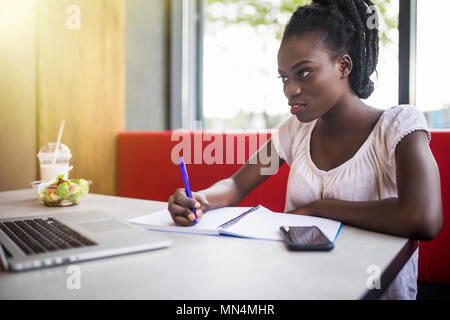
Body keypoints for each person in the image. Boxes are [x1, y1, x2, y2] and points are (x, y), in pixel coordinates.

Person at [168, 0, 442, 300]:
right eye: (284, 77)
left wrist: (318, 208)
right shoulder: (296, 130)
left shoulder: (397, 126)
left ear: (343, 66)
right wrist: (201, 199)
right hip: (300, 287)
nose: (290, 89)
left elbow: (422, 218)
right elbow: (236, 184)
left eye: (304, 73)